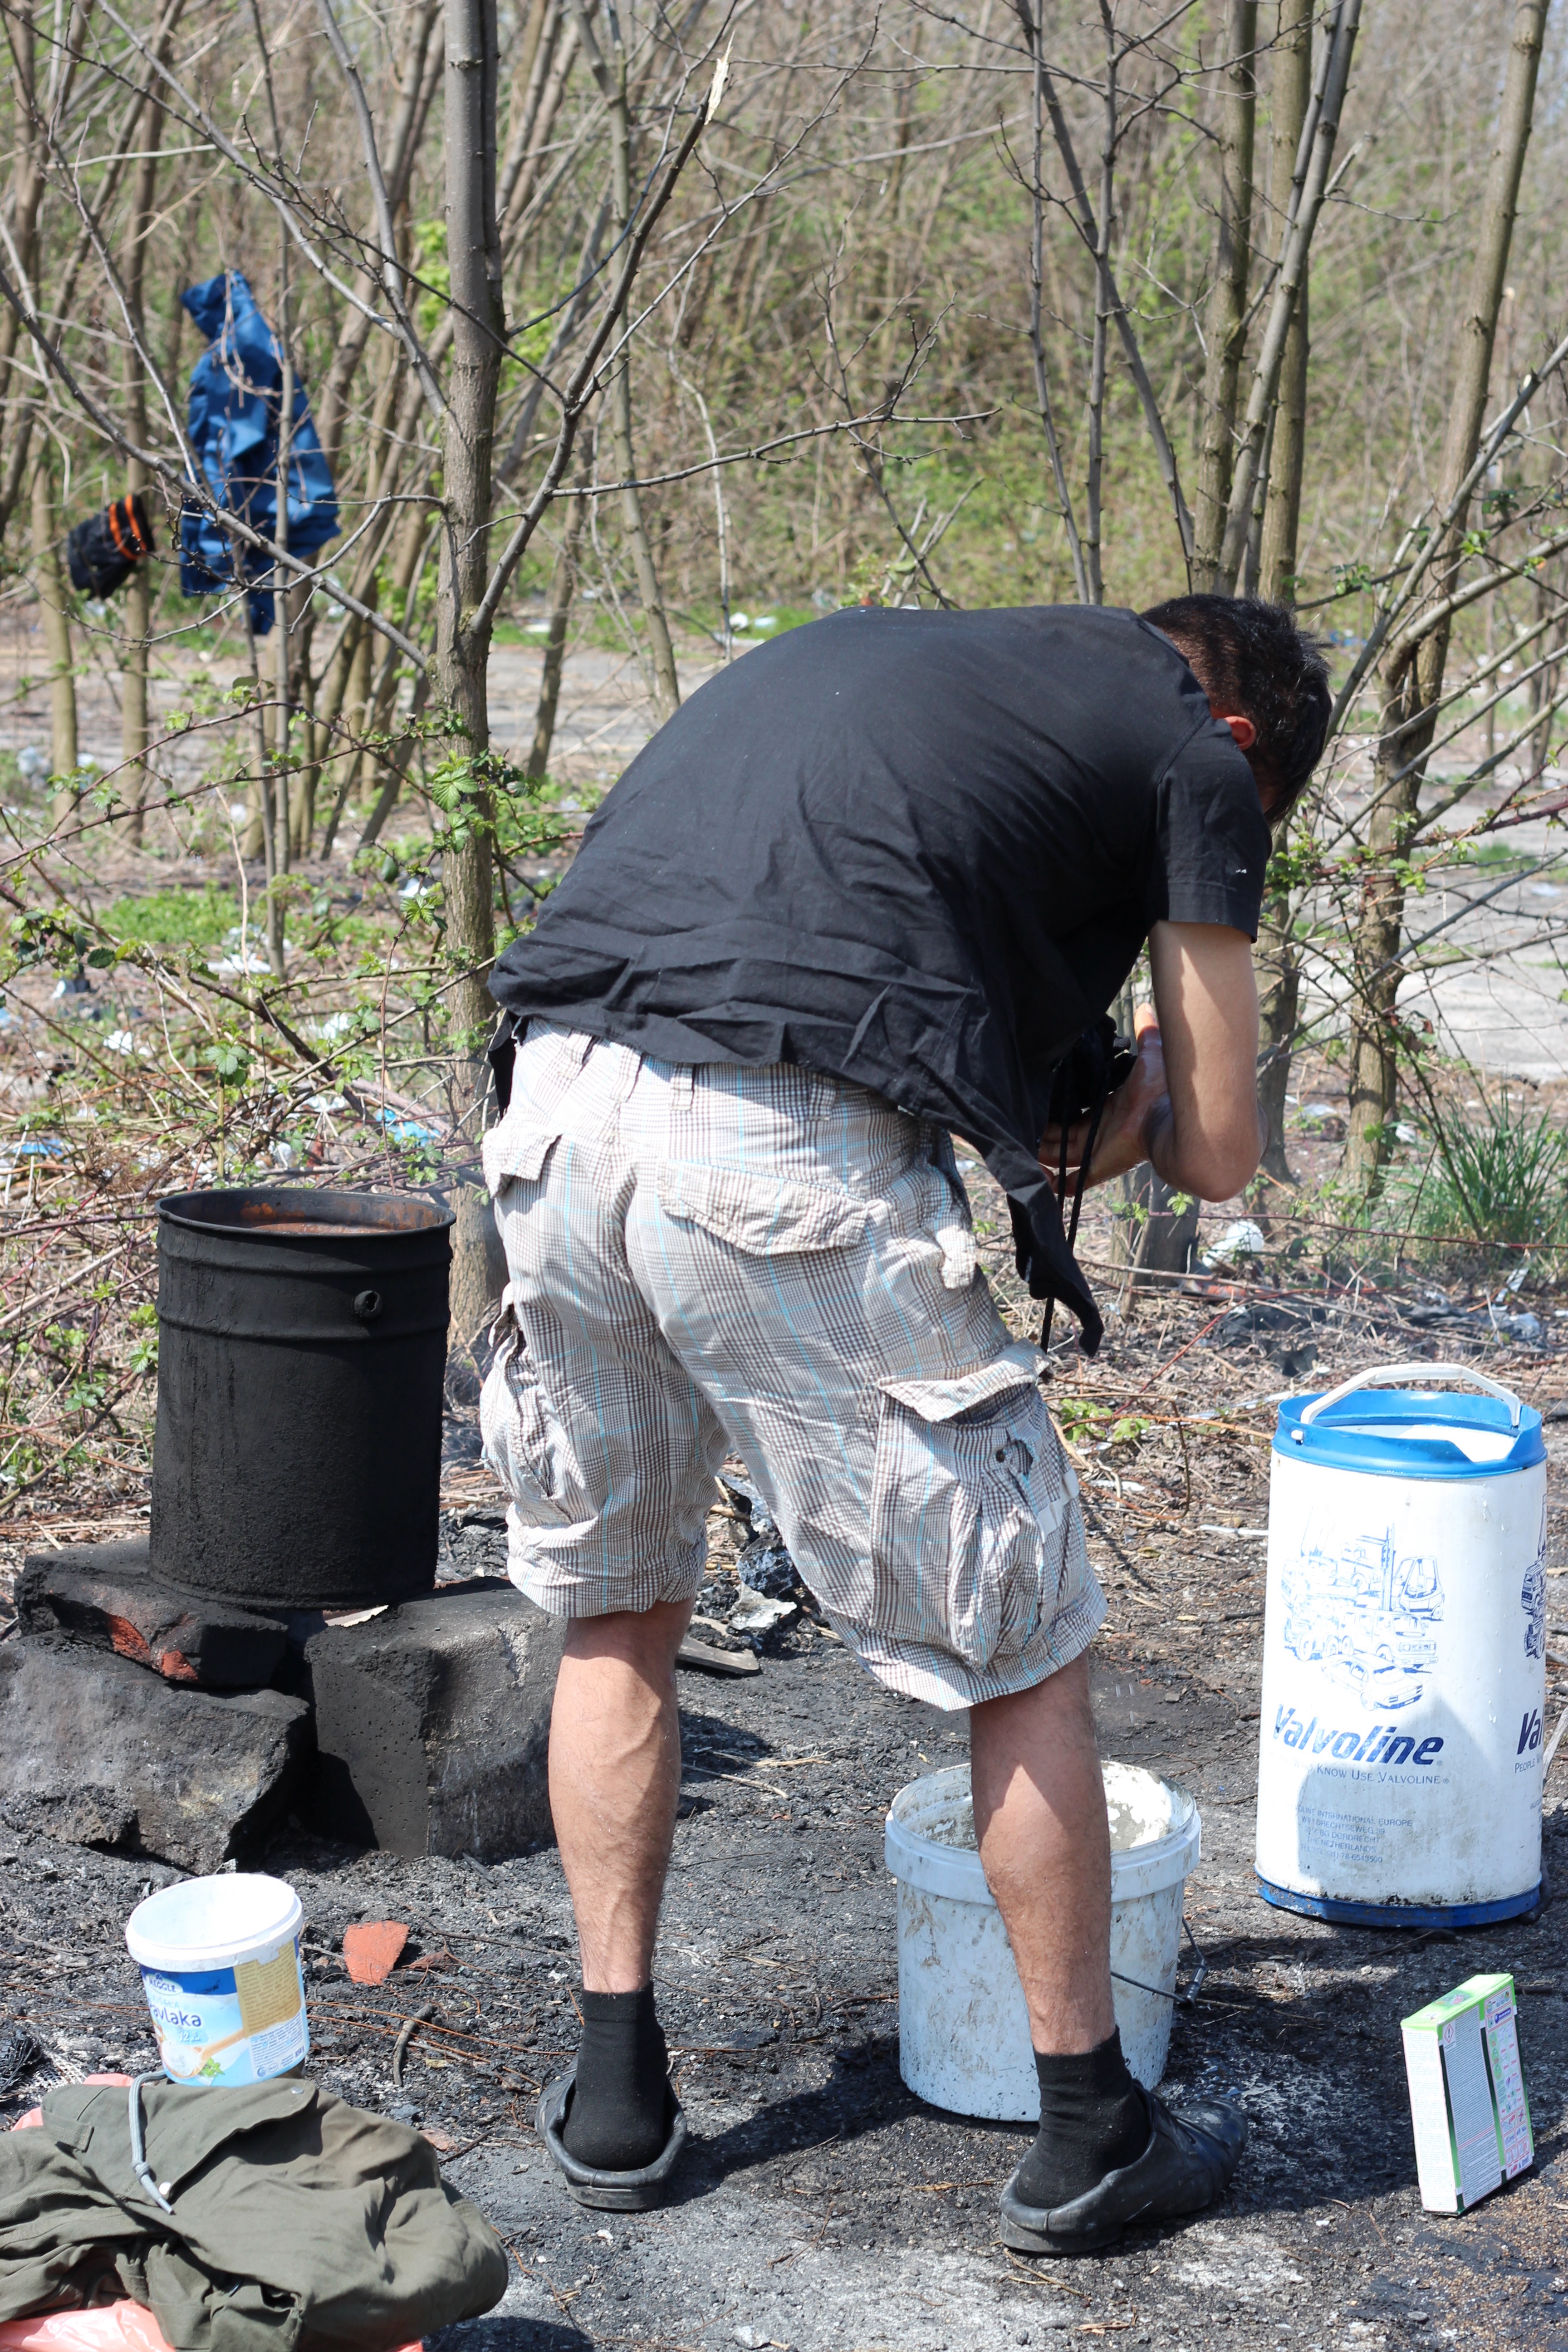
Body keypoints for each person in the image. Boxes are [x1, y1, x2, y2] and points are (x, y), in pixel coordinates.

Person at [480, 594, 1331, 2252]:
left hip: (554, 1114)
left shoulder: (904, 669)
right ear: (1247, 747)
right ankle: (1091, 2128)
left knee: (622, 1601)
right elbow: (1221, 1152)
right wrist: (1157, 1098)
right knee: (1020, 1639)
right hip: (770, 1145)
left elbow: (870, 982)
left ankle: (615, 2100)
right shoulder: (1198, 753)